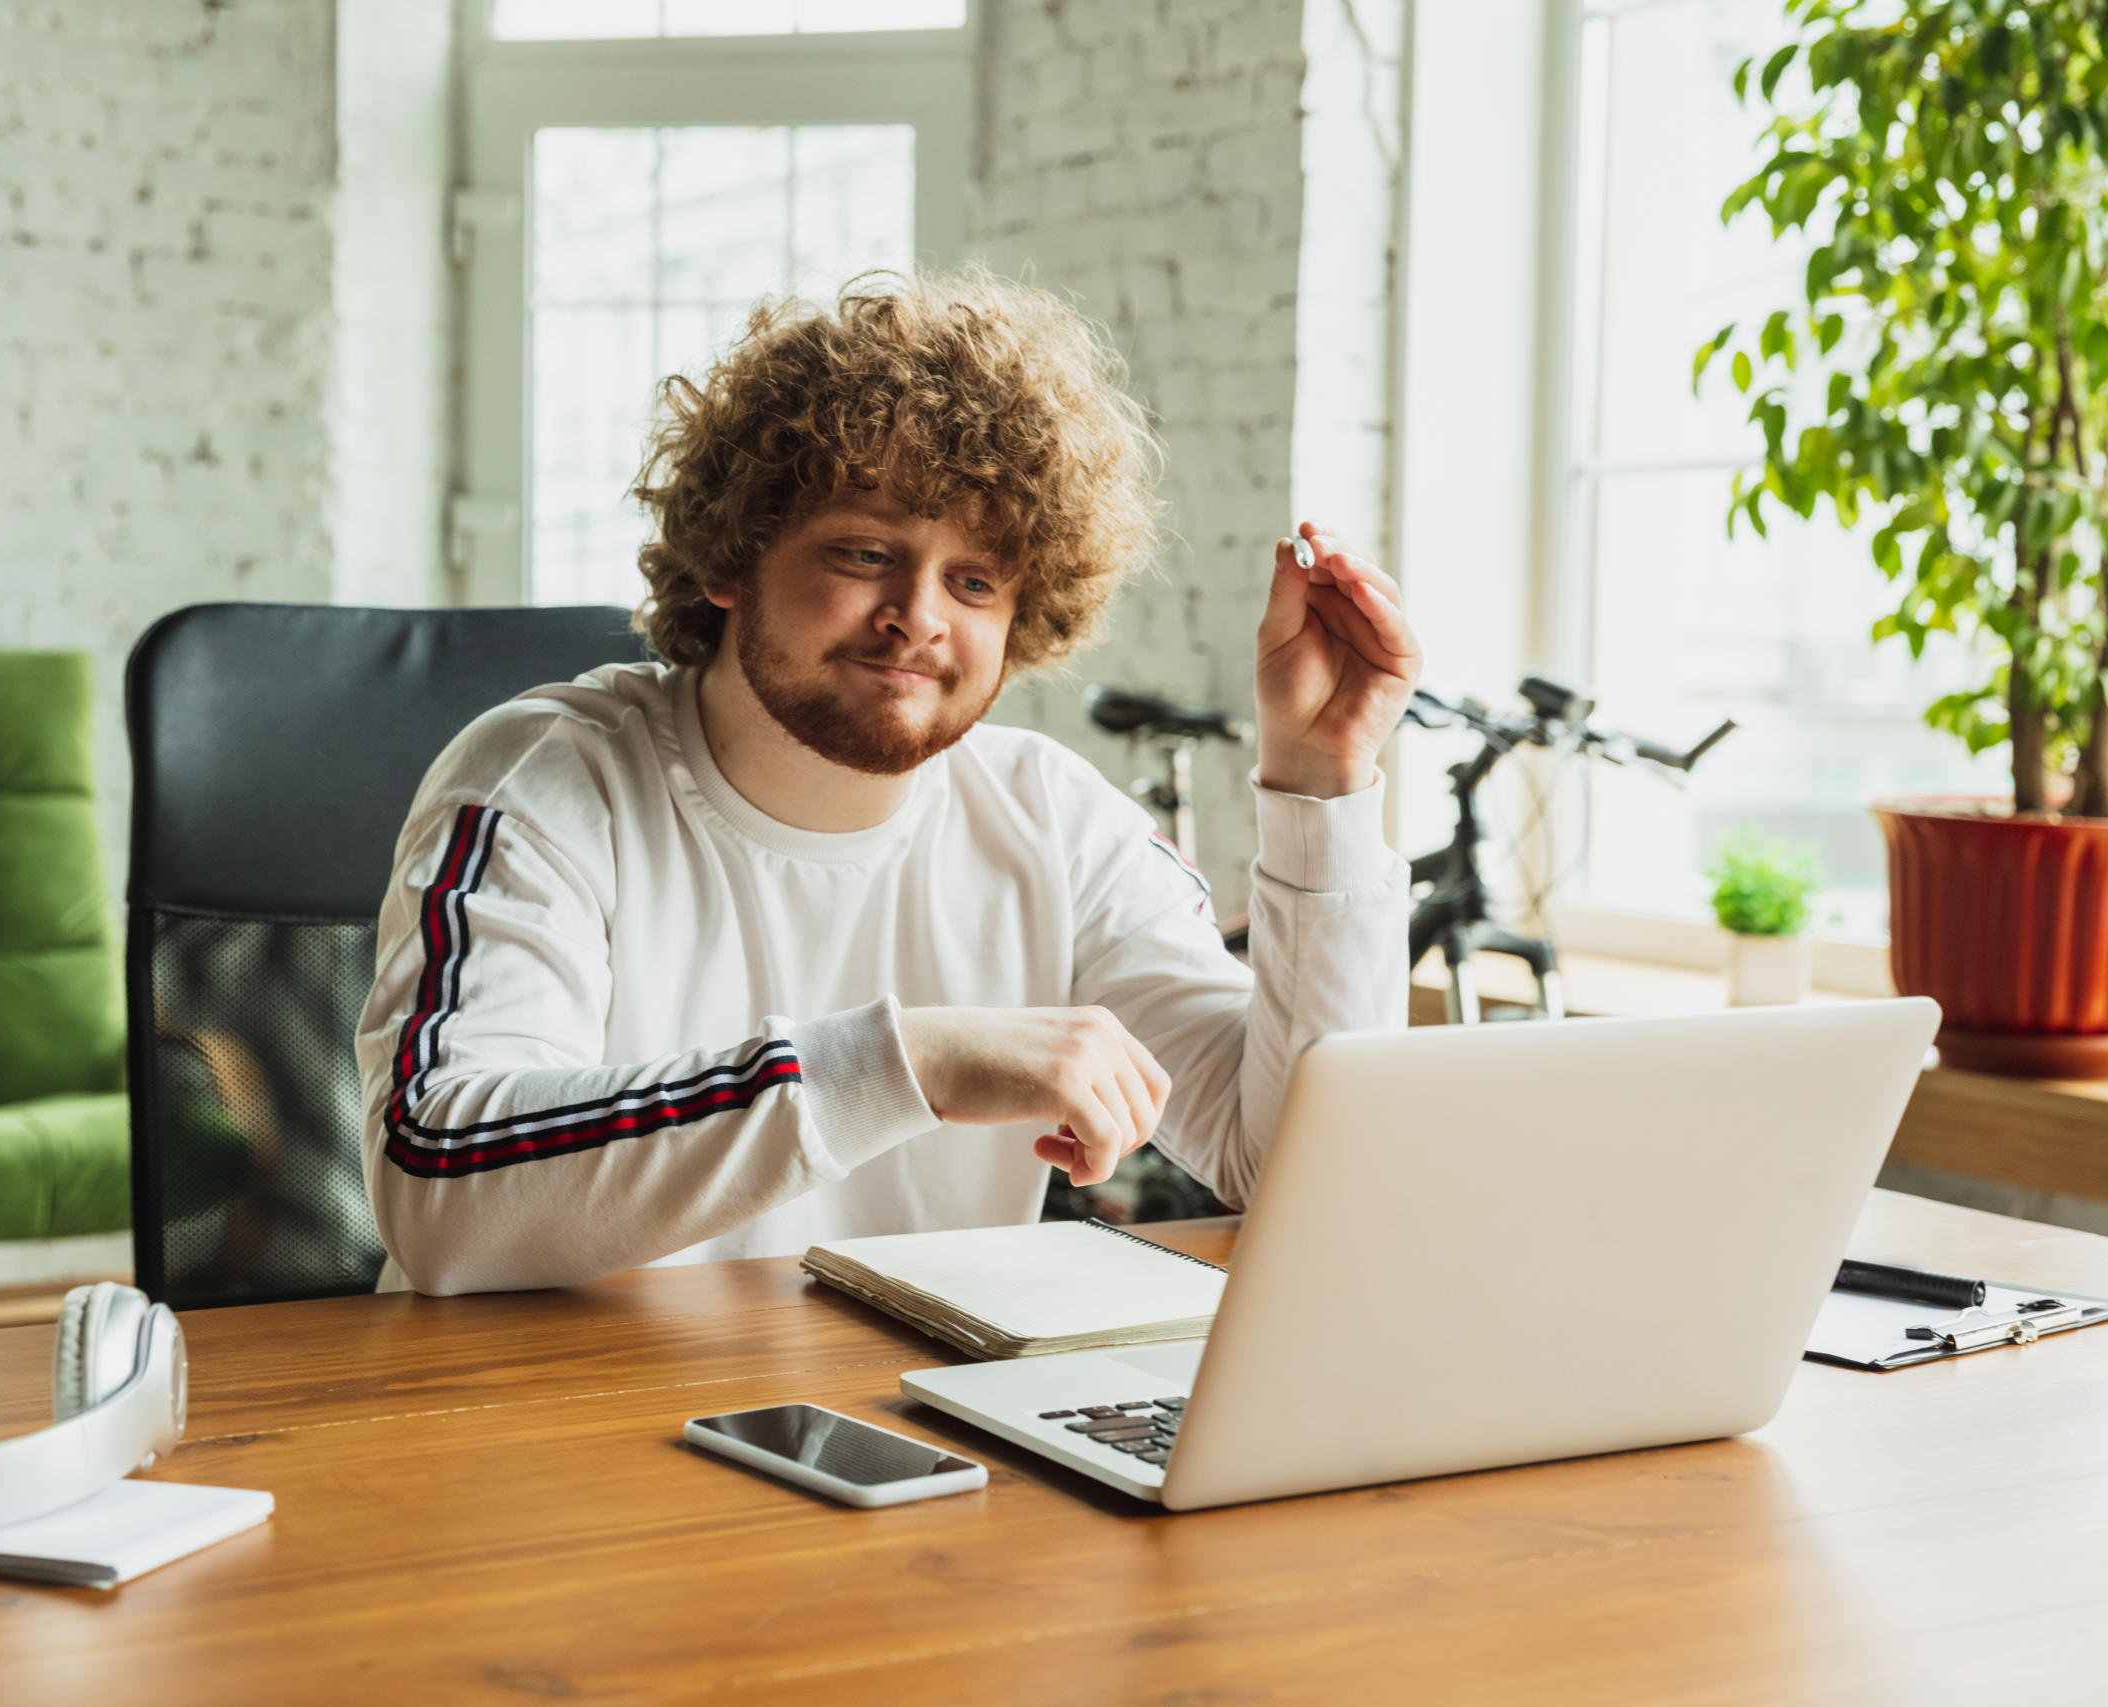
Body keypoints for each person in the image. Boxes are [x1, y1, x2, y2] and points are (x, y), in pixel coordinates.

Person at [356, 272, 1420, 1294]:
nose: (919, 615)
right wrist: (911, 1061)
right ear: (731, 558)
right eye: (865, 554)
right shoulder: (541, 782)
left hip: (903, 1426)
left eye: (974, 581)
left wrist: (1321, 786)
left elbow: (1302, 1170)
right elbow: (438, 1195)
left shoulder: (1057, 820)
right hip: (534, 1426)